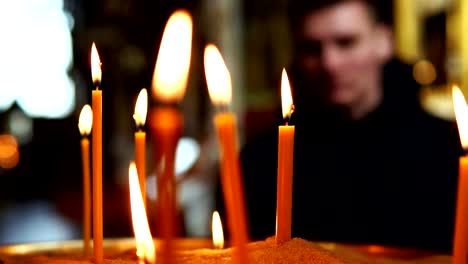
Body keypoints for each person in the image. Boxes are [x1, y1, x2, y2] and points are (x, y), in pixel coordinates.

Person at [217, 0, 463, 253]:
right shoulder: (262, 160)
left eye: (346, 42)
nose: (330, 63)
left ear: (384, 42)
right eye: (312, 48)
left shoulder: (446, 149)